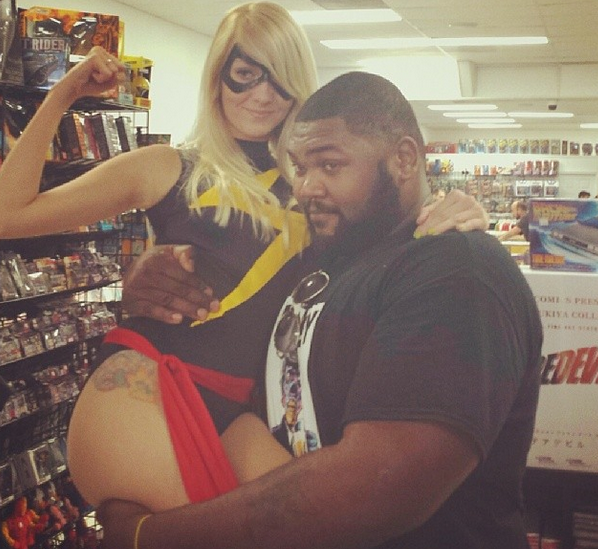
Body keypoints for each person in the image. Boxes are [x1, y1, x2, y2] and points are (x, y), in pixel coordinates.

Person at [0, 2, 488, 515]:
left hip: (246, 411)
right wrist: (63, 94)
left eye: (278, 78)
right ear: (218, 76)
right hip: (152, 387)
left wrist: (447, 210)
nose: (262, 94)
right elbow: (10, 213)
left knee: (322, 526)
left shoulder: (314, 187)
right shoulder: (168, 167)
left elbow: (378, 245)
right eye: (245, 74)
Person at [98, 72, 543, 549]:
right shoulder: (331, 255)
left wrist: (151, 536)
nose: (307, 187)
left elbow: (379, 485)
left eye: (330, 165)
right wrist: (151, 274)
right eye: (300, 167)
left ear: (404, 159)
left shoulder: (455, 270)